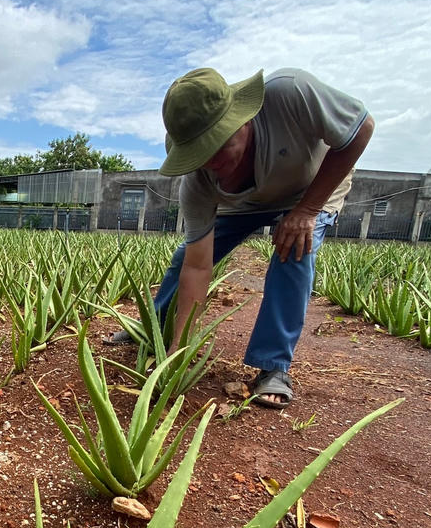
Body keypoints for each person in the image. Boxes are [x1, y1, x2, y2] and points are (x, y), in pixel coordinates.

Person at [111, 67, 373, 408]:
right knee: (183, 259)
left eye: (217, 148)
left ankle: (273, 367)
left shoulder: (290, 93)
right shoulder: (199, 181)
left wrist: (308, 210)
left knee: (293, 251)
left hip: (310, 190)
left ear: (242, 120)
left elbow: (360, 130)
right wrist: (180, 350)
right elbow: (197, 267)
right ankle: (156, 331)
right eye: (199, 155)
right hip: (244, 202)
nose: (212, 163)